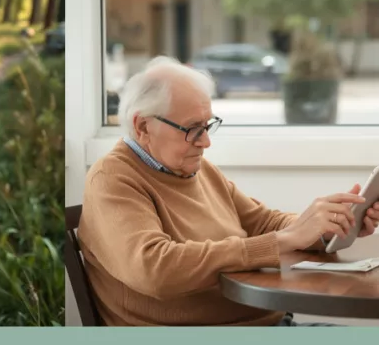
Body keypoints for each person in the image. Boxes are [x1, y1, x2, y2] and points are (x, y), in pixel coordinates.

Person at [77, 56, 379, 327]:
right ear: (142, 126)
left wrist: (329, 227)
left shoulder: (195, 169)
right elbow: (154, 268)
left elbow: (263, 222)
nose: (205, 141)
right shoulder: (112, 178)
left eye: (208, 125)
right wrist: (280, 241)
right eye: (192, 128)